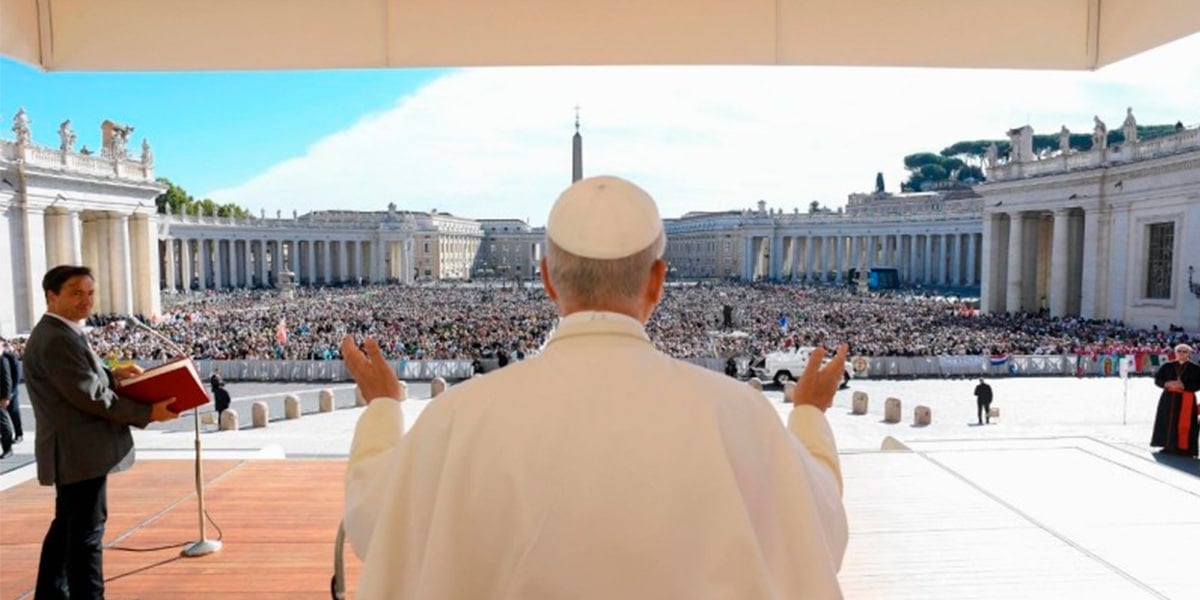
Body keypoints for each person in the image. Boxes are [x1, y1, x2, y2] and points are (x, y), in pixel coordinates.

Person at [342, 176, 849, 599]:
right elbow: (818, 533)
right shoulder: (741, 413)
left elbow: (374, 522)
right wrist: (809, 414)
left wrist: (383, 407)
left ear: (546, 279)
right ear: (657, 282)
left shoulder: (457, 417)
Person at [25, 265, 177, 599]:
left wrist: (113, 372)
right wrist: (147, 412)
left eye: (90, 293)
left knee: (66, 528)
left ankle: (50, 594)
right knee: (86, 537)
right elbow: (90, 396)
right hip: (80, 451)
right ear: (52, 296)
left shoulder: (61, 331)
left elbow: (84, 377)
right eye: (76, 293)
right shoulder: (56, 339)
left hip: (76, 451)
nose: (86, 301)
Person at [1150, 343, 1200, 457]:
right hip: (1169, 398)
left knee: (1186, 424)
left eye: (1184, 351)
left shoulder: (1195, 368)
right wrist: (1167, 383)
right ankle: (1168, 446)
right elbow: (1158, 380)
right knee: (1168, 421)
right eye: (1179, 351)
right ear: (1175, 353)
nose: (1181, 353)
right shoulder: (1167, 365)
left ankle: (1186, 449)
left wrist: (1184, 385)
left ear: (1189, 353)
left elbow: (1198, 384)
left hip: (1186, 398)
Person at [2, 338, 25, 443]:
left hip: (11, 391)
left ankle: (19, 434)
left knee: (14, 413)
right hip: (2, 390)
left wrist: (11, 392)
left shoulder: (9, 357)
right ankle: (6, 435)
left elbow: (16, 375)